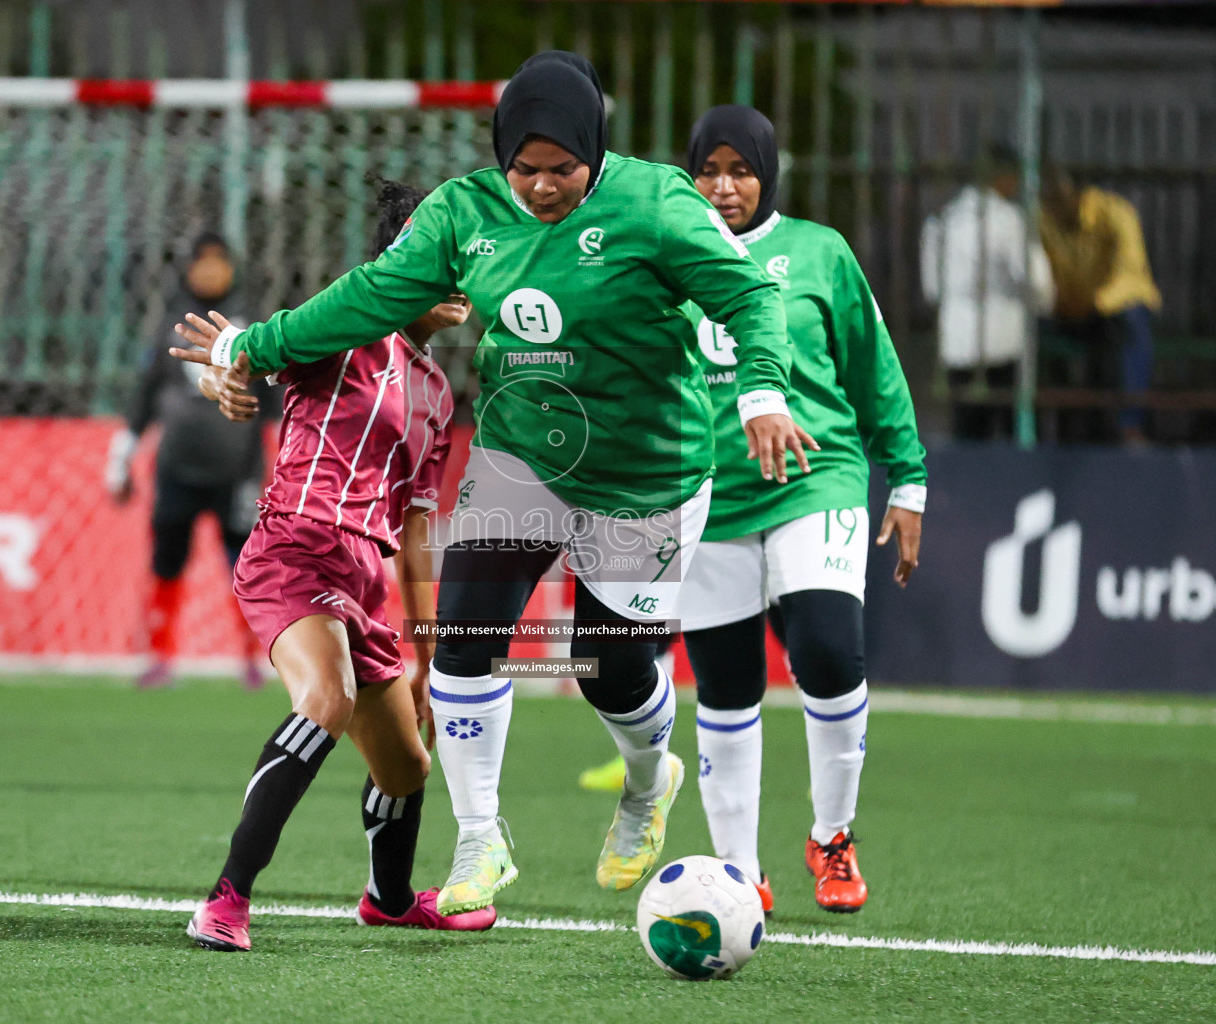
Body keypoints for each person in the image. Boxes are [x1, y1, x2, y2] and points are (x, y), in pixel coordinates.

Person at [172, 53, 812, 919]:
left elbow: (749, 298)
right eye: (526, 169)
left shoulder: (660, 206)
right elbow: (367, 297)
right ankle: (480, 839)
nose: (542, 188)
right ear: (502, 155)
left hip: (646, 471)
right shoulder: (462, 214)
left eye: (563, 170)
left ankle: (646, 779)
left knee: (608, 671)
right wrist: (253, 347)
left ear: (597, 152)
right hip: (522, 454)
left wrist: (765, 394)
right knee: (465, 634)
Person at [175, 183, 491, 952]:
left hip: (364, 575)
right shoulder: (342, 330)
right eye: (444, 260)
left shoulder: (439, 395)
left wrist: (427, 654)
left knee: (409, 768)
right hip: (293, 546)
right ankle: (224, 900)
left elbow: (418, 530)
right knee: (328, 699)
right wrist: (222, 378)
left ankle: (387, 899)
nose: (461, 280)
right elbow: (248, 350)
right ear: (402, 262)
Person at [678, 105, 927, 915]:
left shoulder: (821, 252)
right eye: (709, 170)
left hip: (815, 478)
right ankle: (738, 874)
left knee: (825, 650)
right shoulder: (664, 258)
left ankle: (832, 836)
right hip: (705, 493)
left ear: (768, 173)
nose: (724, 186)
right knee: (725, 686)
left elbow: (874, 368)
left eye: (740, 170)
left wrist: (910, 478)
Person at [105, 232, 267, 688]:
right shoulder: (169, 323)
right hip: (175, 466)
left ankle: (253, 659)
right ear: (190, 268)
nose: (211, 270)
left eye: (220, 262)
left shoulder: (254, 322)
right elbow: (145, 393)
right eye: (203, 262)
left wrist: (267, 471)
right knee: (167, 562)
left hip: (237, 470)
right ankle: (160, 656)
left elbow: (274, 404)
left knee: (245, 569)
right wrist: (122, 453)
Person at [920, 144, 1054, 441]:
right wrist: (1044, 308)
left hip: (956, 343)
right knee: (1011, 435)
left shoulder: (941, 221)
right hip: (1004, 344)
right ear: (1003, 177)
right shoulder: (1009, 219)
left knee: (967, 432)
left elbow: (932, 290)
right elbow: (1038, 282)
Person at [1040, 167, 1163, 445]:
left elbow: (1131, 274)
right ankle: (1051, 431)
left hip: (1108, 309)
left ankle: (1130, 426)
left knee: (1134, 322)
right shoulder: (1043, 220)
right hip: (1067, 311)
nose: (1055, 206)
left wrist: (1095, 303)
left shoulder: (1115, 212)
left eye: (1060, 198)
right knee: (1026, 332)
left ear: (1078, 194)